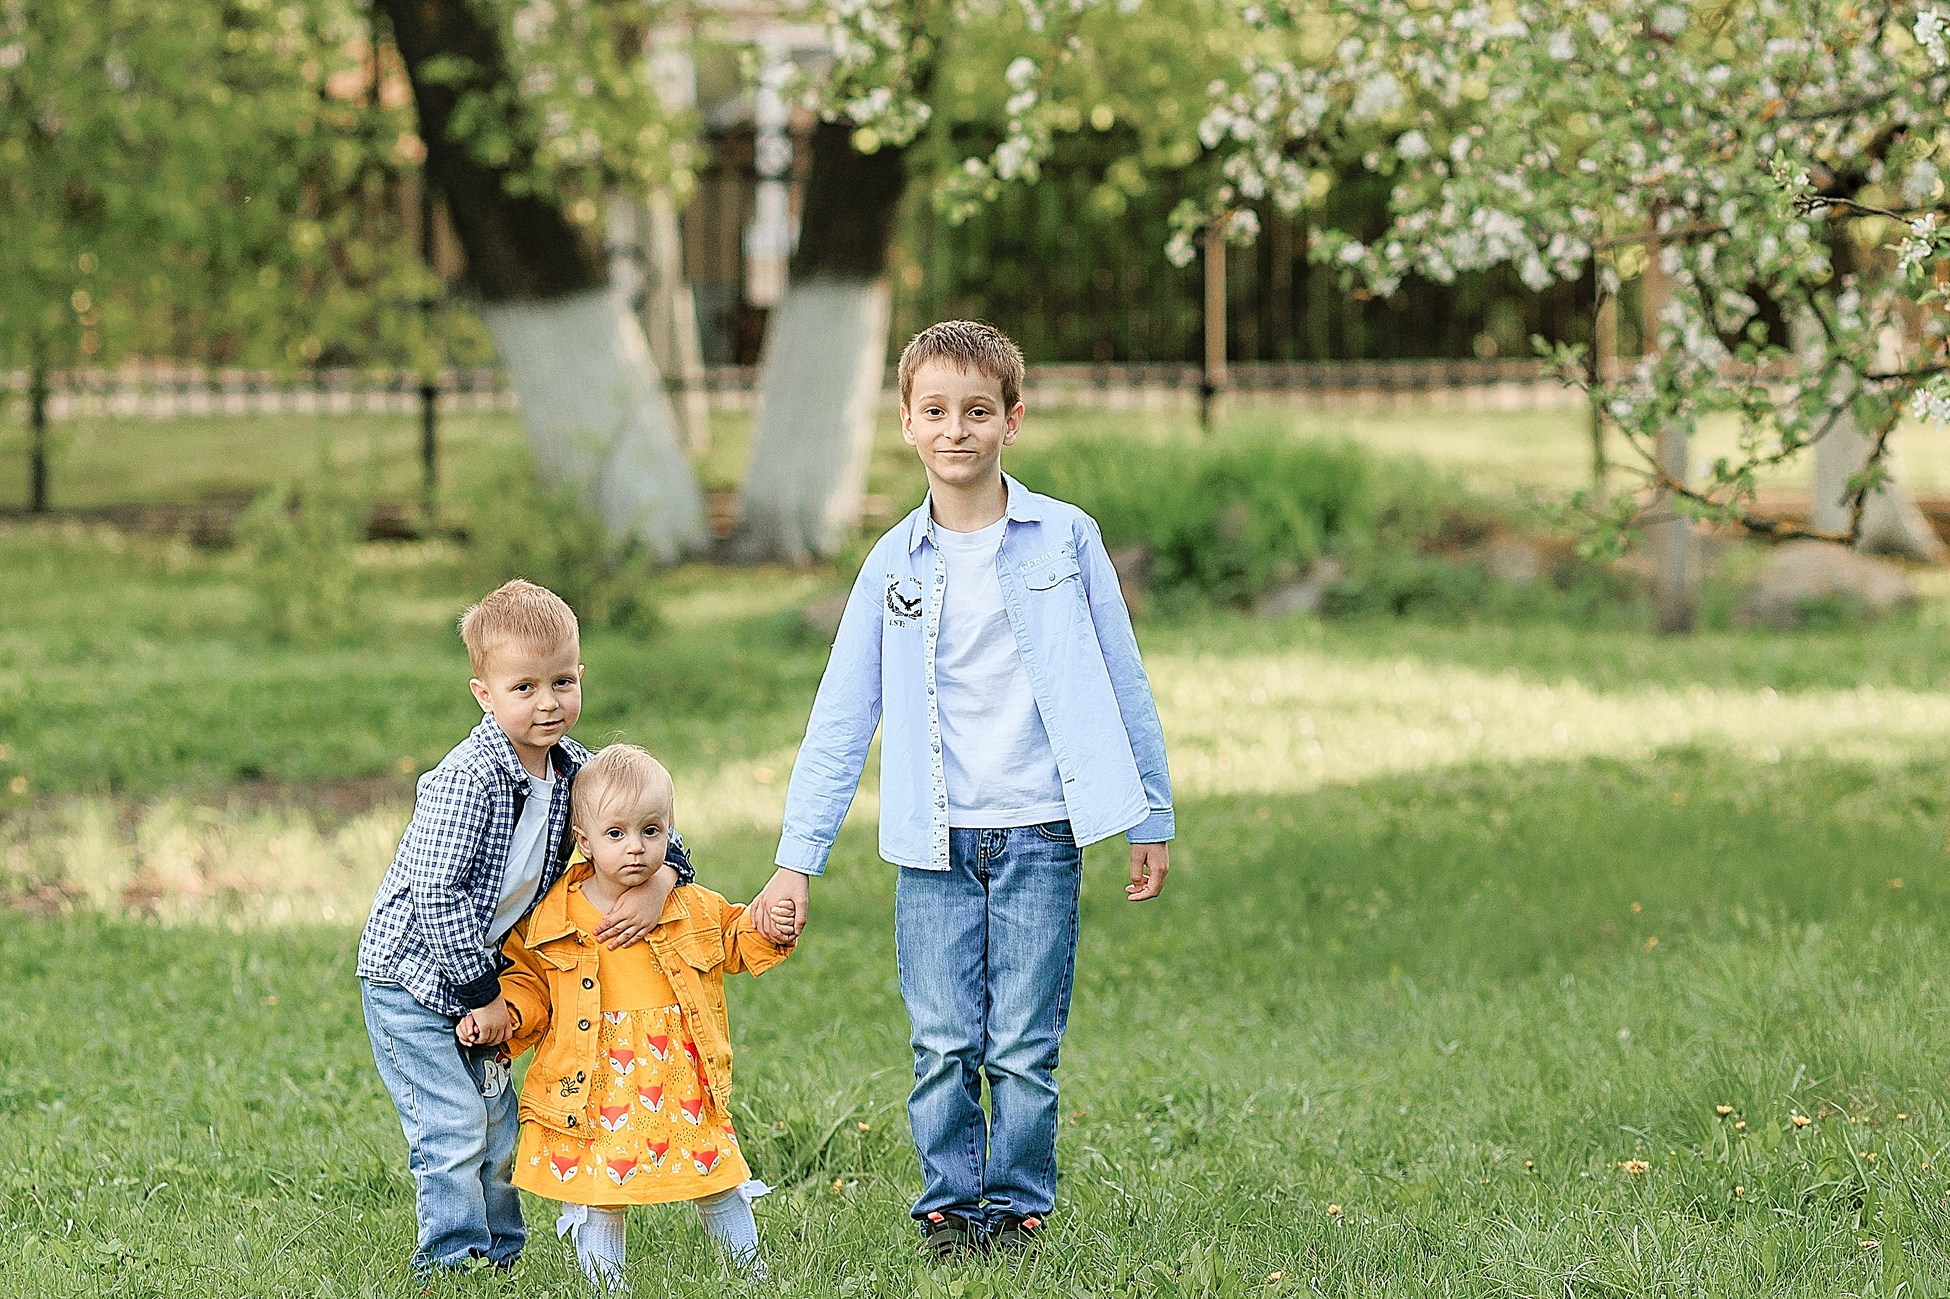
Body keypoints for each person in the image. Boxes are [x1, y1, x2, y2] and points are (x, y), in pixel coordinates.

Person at [752, 319, 1174, 1256]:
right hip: (932, 843)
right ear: (905, 422)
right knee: (943, 1041)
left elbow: (1123, 678)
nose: (957, 430)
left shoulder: (1067, 539)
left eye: (978, 411)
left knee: (1023, 1041)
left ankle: (1018, 1205)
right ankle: (949, 1204)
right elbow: (839, 716)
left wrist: (1150, 810)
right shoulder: (892, 564)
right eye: (935, 411)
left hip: (1040, 833)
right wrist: (796, 861)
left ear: (1012, 420)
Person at [356, 579, 690, 1275]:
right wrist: (482, 995)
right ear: (484, 693)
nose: (547, 702)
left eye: (562, 681)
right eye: (524, 687)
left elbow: (660, 838)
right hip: (412, 978)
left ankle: (501, 1259)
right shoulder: (467, 779)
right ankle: (452, 1265)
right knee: (451, 1127)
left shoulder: (578, 770)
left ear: (580, 676)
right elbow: (436, 894)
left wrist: (659, 882)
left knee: (503, 1129)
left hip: (486, 980)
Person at [464, 743, 793, 1290]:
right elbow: (530, 984)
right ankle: (605, 1285)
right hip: (596, 1083)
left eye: (652, 830)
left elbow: (733, 938)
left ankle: (749, 1275)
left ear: (670, 830)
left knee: (716, 1174)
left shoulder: (688, 905)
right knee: (600, 1190)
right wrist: (505, 1015)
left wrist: (769, 926)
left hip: (679, 1079)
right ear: (584, 839)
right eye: (616, 834)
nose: (636, 849)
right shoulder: (554, 916)